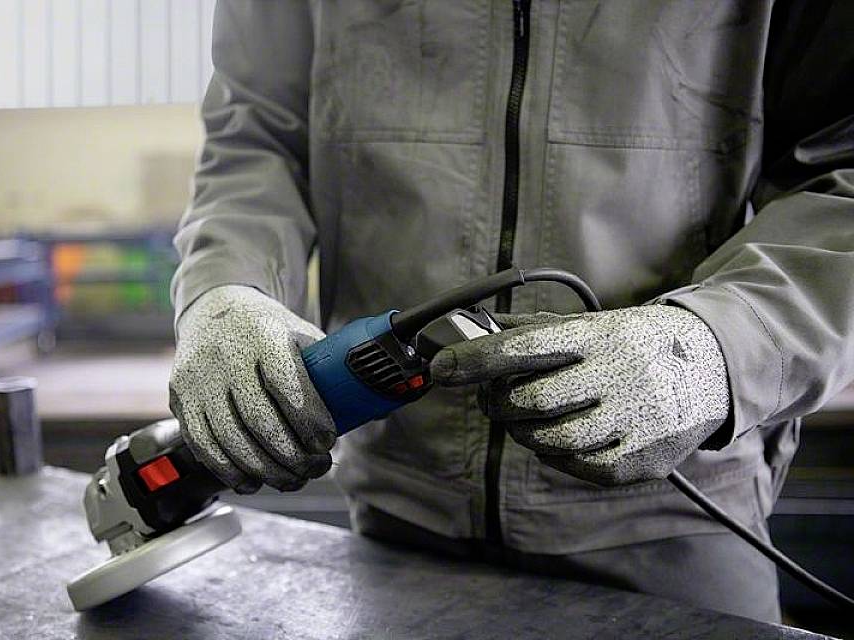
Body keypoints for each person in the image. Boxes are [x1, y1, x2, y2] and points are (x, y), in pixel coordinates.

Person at [168, 1, 854, 623]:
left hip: (678, 513)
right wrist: (228, 288)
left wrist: (717, 345)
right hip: (399, 514)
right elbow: (257, 134)